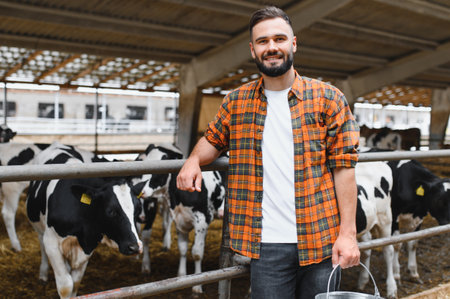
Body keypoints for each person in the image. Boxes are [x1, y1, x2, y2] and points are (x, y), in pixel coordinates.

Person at [177, 6, 360, 299]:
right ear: (253, 49)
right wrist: (193, 160)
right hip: (266, 245)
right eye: (263, 41)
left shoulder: (328, 99)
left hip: (322, 238)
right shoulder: (236, 102)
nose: (271, 47)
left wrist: (347, 235)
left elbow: (344, 168)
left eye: (279, 39)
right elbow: (211, 140)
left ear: (293, 43)